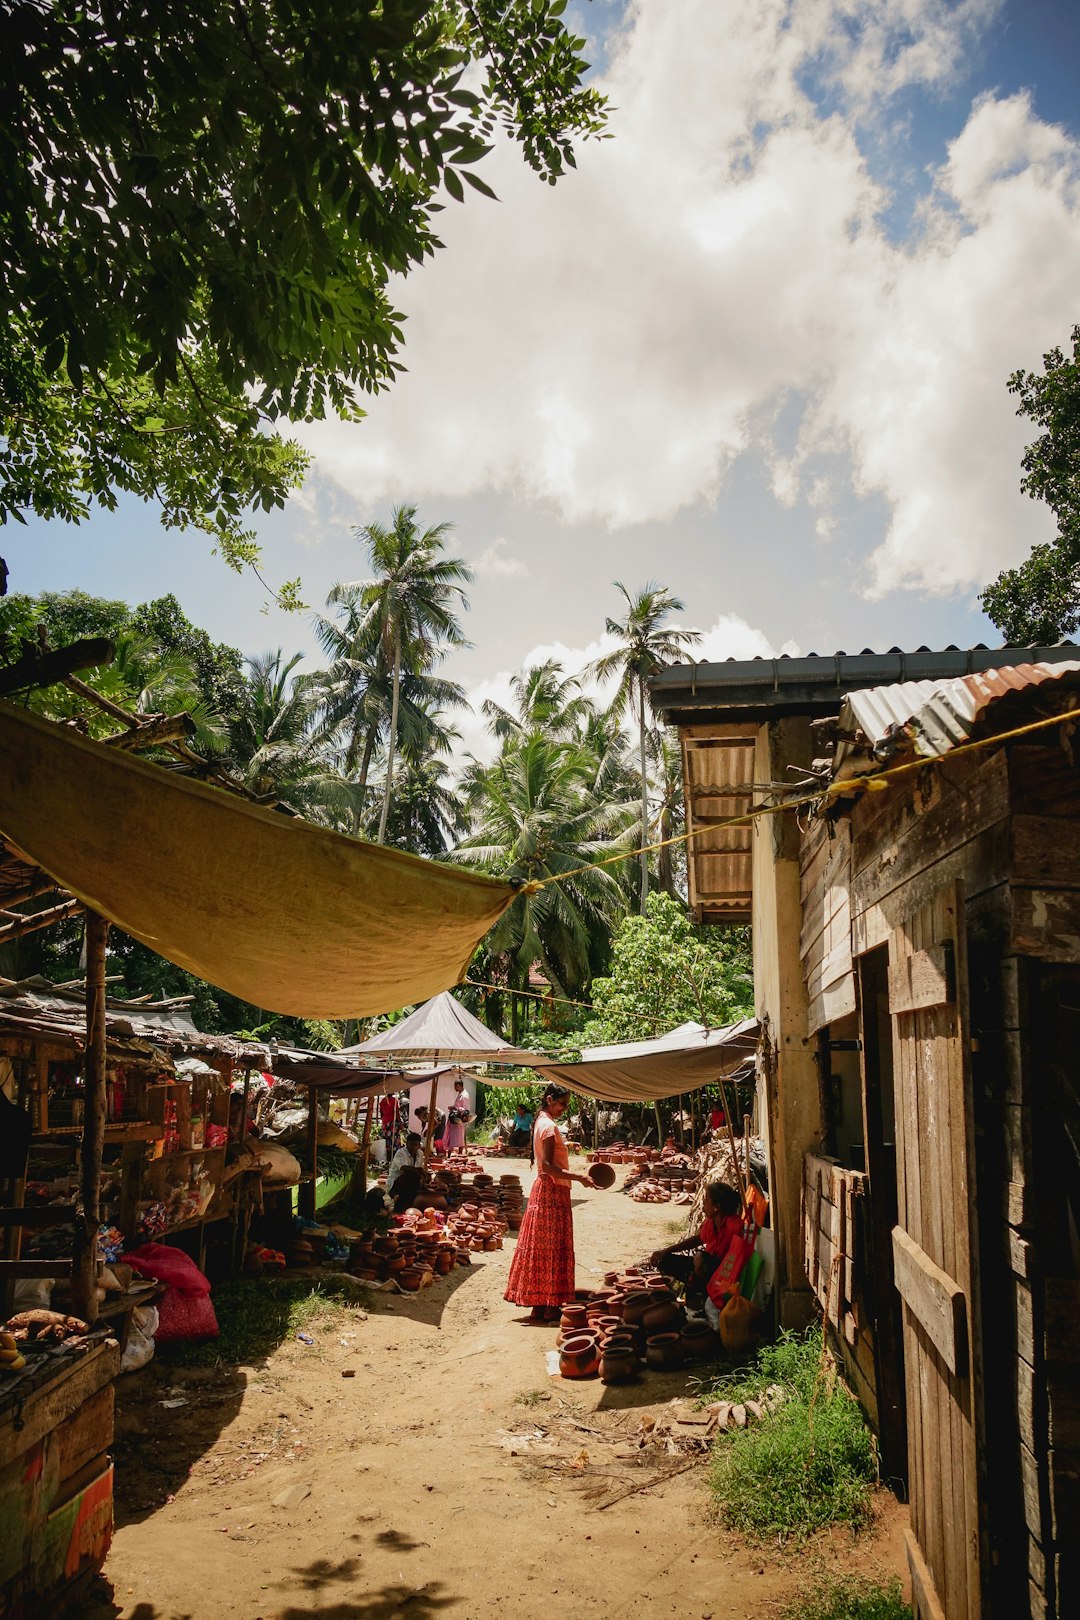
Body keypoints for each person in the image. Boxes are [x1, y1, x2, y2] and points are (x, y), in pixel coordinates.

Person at [504, 1084, 591, 1322]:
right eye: (562, 1103)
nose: (564, 1108)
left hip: (544, 1189)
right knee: (553, 1249)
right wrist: (579, 1177)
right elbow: (551, 1166)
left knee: (542, 1249)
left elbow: (547, 1156)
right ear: (550, 1099)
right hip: (552, 1191)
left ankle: (540, 1305)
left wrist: (567, 1146)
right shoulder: (550, 1126)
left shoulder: (541, 1121)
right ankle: (551, 1304)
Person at [649, 1181, 743, 1308]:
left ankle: (703, 1296)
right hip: (705, 1269)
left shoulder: (735, 1226)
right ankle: (685, 1295)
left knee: (699, 1259)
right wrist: (667, 1250)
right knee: (664, 1260)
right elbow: (697, 1240)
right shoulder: (710, 1223)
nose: (703, 1203)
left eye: (706, 1199)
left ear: (717, 1207)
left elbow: (738, 1258)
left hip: (724, 1274)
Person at [386, 1131, 426, 1211]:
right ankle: (397, 1199)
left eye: (416, 1145)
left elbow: (418, 1170)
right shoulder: (400, 1153)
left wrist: (423, 1173)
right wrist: (421, 1170)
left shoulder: (420, 1153)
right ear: (406, 1144)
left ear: (419, 1145)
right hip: (396, 1183)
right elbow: (405, 1169)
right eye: (411, 1144)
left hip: (410, 1182)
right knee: (412, 1175)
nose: (413, 1147)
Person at [444, 1077, 471, 1153]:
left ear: (459, 1085)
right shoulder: (460, 1094)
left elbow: (466, 1109)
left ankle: (460, 1154)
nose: (455, 1088)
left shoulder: (465, 1096)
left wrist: (455, 1108)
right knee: (451, 1137)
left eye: (455, 1086)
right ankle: (449, 1154)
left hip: (459, 1119)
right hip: (454, 1119)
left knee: (460, 1138)